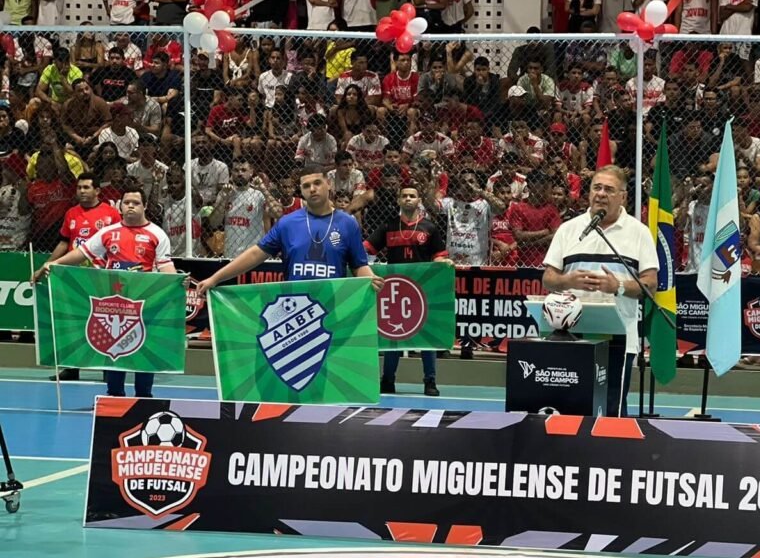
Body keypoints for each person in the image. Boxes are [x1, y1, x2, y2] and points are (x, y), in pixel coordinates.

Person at [32, 188, 176, 398]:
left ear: (145, 206)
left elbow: (165, 266)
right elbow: (81, 253)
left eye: (136, 202)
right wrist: (52, 263)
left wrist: (177, 282)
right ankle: (115, 395)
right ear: (120, 206)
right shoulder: (108, 232)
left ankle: (144, 398)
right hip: (114, 305)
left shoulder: (157, 234)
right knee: (114, 351)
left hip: (142, 305)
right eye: (127, 202)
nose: (131, 206)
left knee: (142, 350)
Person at [542, 165, 658, 417]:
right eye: (597, 187)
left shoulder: (639, 233)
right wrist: (567, 280)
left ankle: (613, 456)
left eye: (609, 189)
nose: (601, 194)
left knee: (613, 408)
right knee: (569, 406)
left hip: (617, 336)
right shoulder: (569, 229)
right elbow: (548, 278)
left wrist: (617, 286)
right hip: (571, 334)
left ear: (623, 197)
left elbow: (650, 283)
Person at [196, 169, 383, 291]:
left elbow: (358, 265)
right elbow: (255, 254)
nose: (312, 189)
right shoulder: (287, 223)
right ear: (301, 191)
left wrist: (371, 279)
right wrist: (215, 278)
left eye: (317, 183)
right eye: (306, 186)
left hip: (332, 305)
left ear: (329, 185)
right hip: (294, 306)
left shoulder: (347, 223)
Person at [365, 182, 450, 396]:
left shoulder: (429, 228)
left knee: (426, 338)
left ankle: (430, 382)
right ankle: (388, 381)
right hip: (396, 293)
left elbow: (439, 256)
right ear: (399, 200)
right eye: (404, 196)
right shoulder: (389, 226)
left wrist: (444, 264)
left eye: (412, 195)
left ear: (419, 200)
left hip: (423, 291)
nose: (408, 199)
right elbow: (368, 249)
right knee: (393, 335)